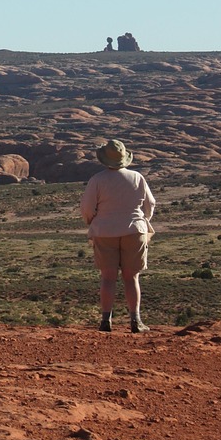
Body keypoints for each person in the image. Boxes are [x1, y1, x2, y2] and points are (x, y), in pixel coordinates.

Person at [80, 139, 155, 333]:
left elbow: (87, 208)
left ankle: (106, 321)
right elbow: (150, 204)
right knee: (132, 277)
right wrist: (143, 220)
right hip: (134, 230)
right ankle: (135, 321)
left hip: (104, 231)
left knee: (108, 277)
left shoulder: (97, 179)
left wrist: (93, 221)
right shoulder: (137, 177)